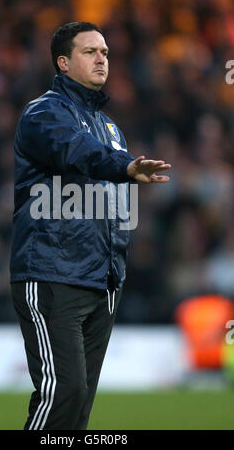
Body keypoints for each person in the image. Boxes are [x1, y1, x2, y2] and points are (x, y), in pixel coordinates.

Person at [10, 21, 171, 430]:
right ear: (63, 63)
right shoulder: (43, 113)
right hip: (53, 271)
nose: (102, 59)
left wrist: (118, 265)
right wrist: (127, 165)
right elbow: (76, 152)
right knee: (64, 392)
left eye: (105, 52)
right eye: (90, 52)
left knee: (79, 408)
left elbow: (112, 201)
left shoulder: (110, 128)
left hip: (102, 279)